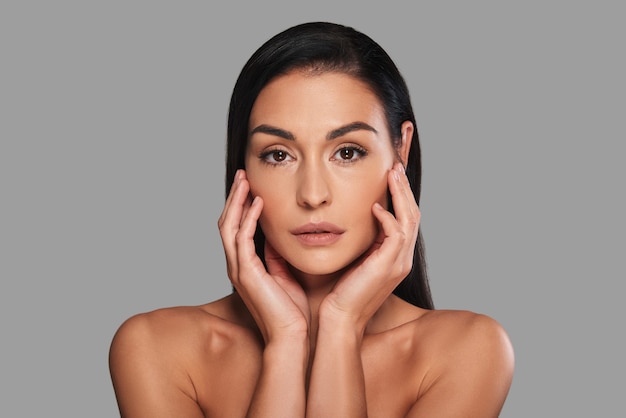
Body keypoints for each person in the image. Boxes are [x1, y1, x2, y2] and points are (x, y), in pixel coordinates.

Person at [109, 21, 514, 417]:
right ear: (243, 167)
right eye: (279, 155)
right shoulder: (156, 348)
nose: (313, 195)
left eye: (348, 152)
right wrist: (285, 340)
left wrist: (342, 326)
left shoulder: (467, 350)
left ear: (400, 150)